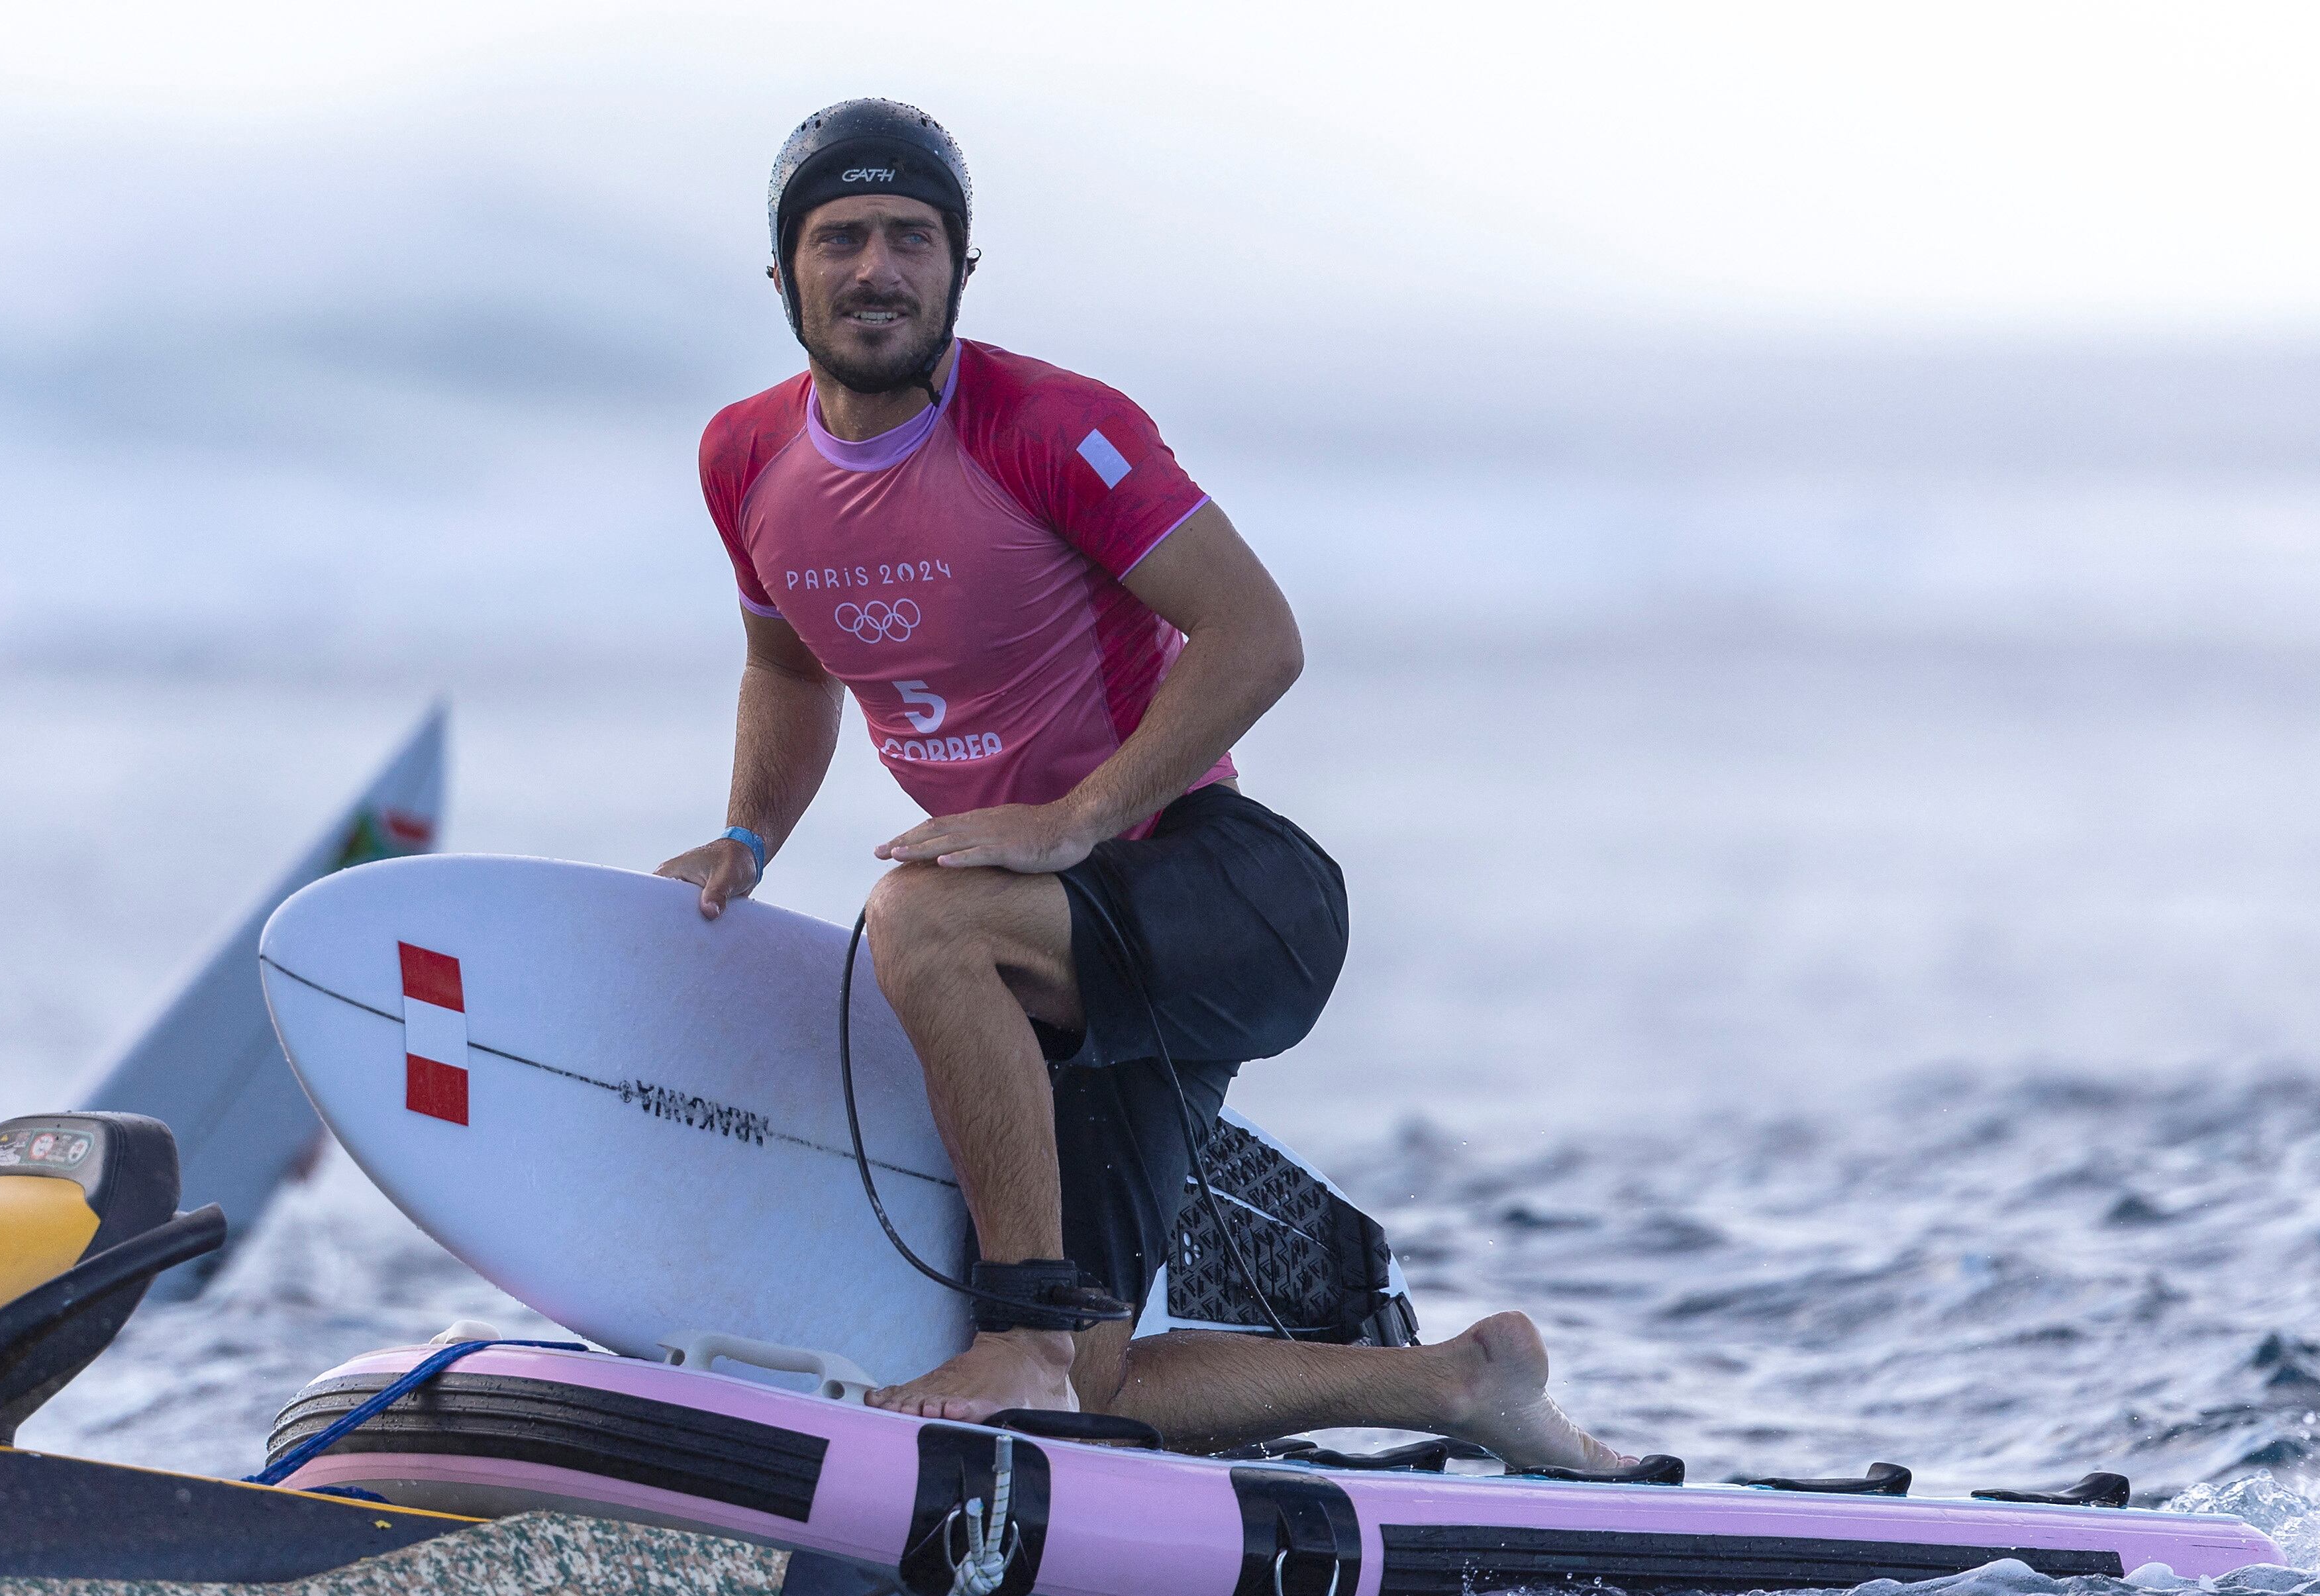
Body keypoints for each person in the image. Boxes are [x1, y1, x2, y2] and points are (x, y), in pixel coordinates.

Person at [657, 99, 1624, 1469]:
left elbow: (1257, 633)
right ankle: (1463, 1384)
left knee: (918, 915)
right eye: (843, 237)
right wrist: (750, 834)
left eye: (913, 238)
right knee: (1096, 1393)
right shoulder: (745, 458)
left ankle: (1018, 1326)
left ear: (961, 268)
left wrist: (1072, 820)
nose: (878, 266)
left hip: (1218, 888)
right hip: (1060, 960)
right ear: (784, 274)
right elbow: (789, 667)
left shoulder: (1052, 427)